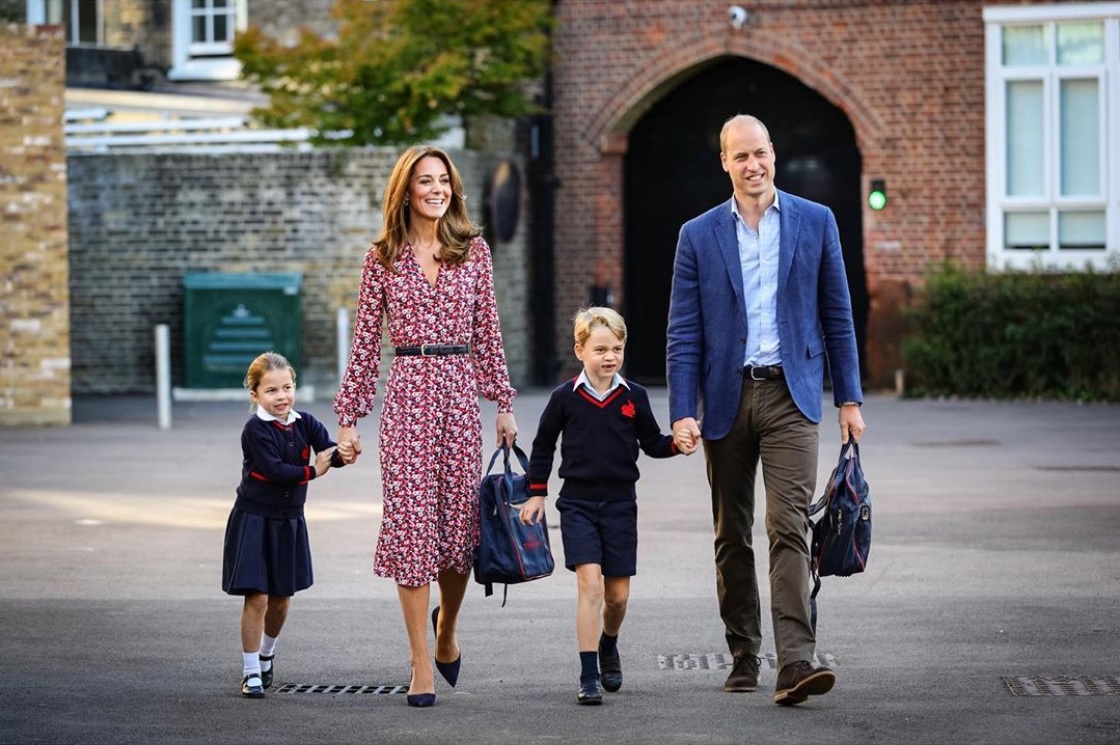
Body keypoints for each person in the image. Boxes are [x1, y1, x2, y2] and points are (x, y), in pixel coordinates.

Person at [666, 114, 866, 706]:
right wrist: (682, 410)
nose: (753, 165)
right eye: (740, 157)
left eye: (761, 154)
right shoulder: (697, 235)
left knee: (789, 528)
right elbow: (684, 332)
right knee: (732, 535)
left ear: (773, 154)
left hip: (792, 394)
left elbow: (838, 314)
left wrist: (848, 398)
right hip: (725, 399)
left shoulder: (815, 220)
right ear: (724, 163)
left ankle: (796, 662)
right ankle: (744, 652)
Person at [333, 145, 518, 708]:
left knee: (458, 535)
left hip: (460, 393)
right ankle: (419, 661)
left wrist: (502, 402)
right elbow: (365, 343)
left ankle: (446, 630)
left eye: (443, 180)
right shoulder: (381, 258)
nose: (436, 189)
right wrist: (349, 418)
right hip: (408, 393)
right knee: (413, 529)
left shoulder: (474, 251)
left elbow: (488, 331)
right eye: (424, 182)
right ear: (405, 192)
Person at [520, 307, 682, 706]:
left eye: (617, 349)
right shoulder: (564, 398)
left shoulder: (634, 396)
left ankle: (609, 644)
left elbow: (653, 443)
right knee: (589, 586)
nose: (609, 357)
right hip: (576, 504)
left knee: (617, 597)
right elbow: (542, 446)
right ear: (580, 350)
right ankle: (588, 673)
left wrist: (678, 443)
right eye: (600, 349)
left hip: (621, 505)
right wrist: (536, 491)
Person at [221, 351, 347, 698]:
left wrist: (343, 454)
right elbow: (274, 471)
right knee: (257, 597)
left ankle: (266, 655)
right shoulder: (255, 430)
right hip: (254, 519)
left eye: (287, 387)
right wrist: (313, 471)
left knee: (281, 600)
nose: (281, 397)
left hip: (289, 522)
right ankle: (250, 672)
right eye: (272, 390)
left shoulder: (305, 422)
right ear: (255, 395)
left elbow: (328, 449)